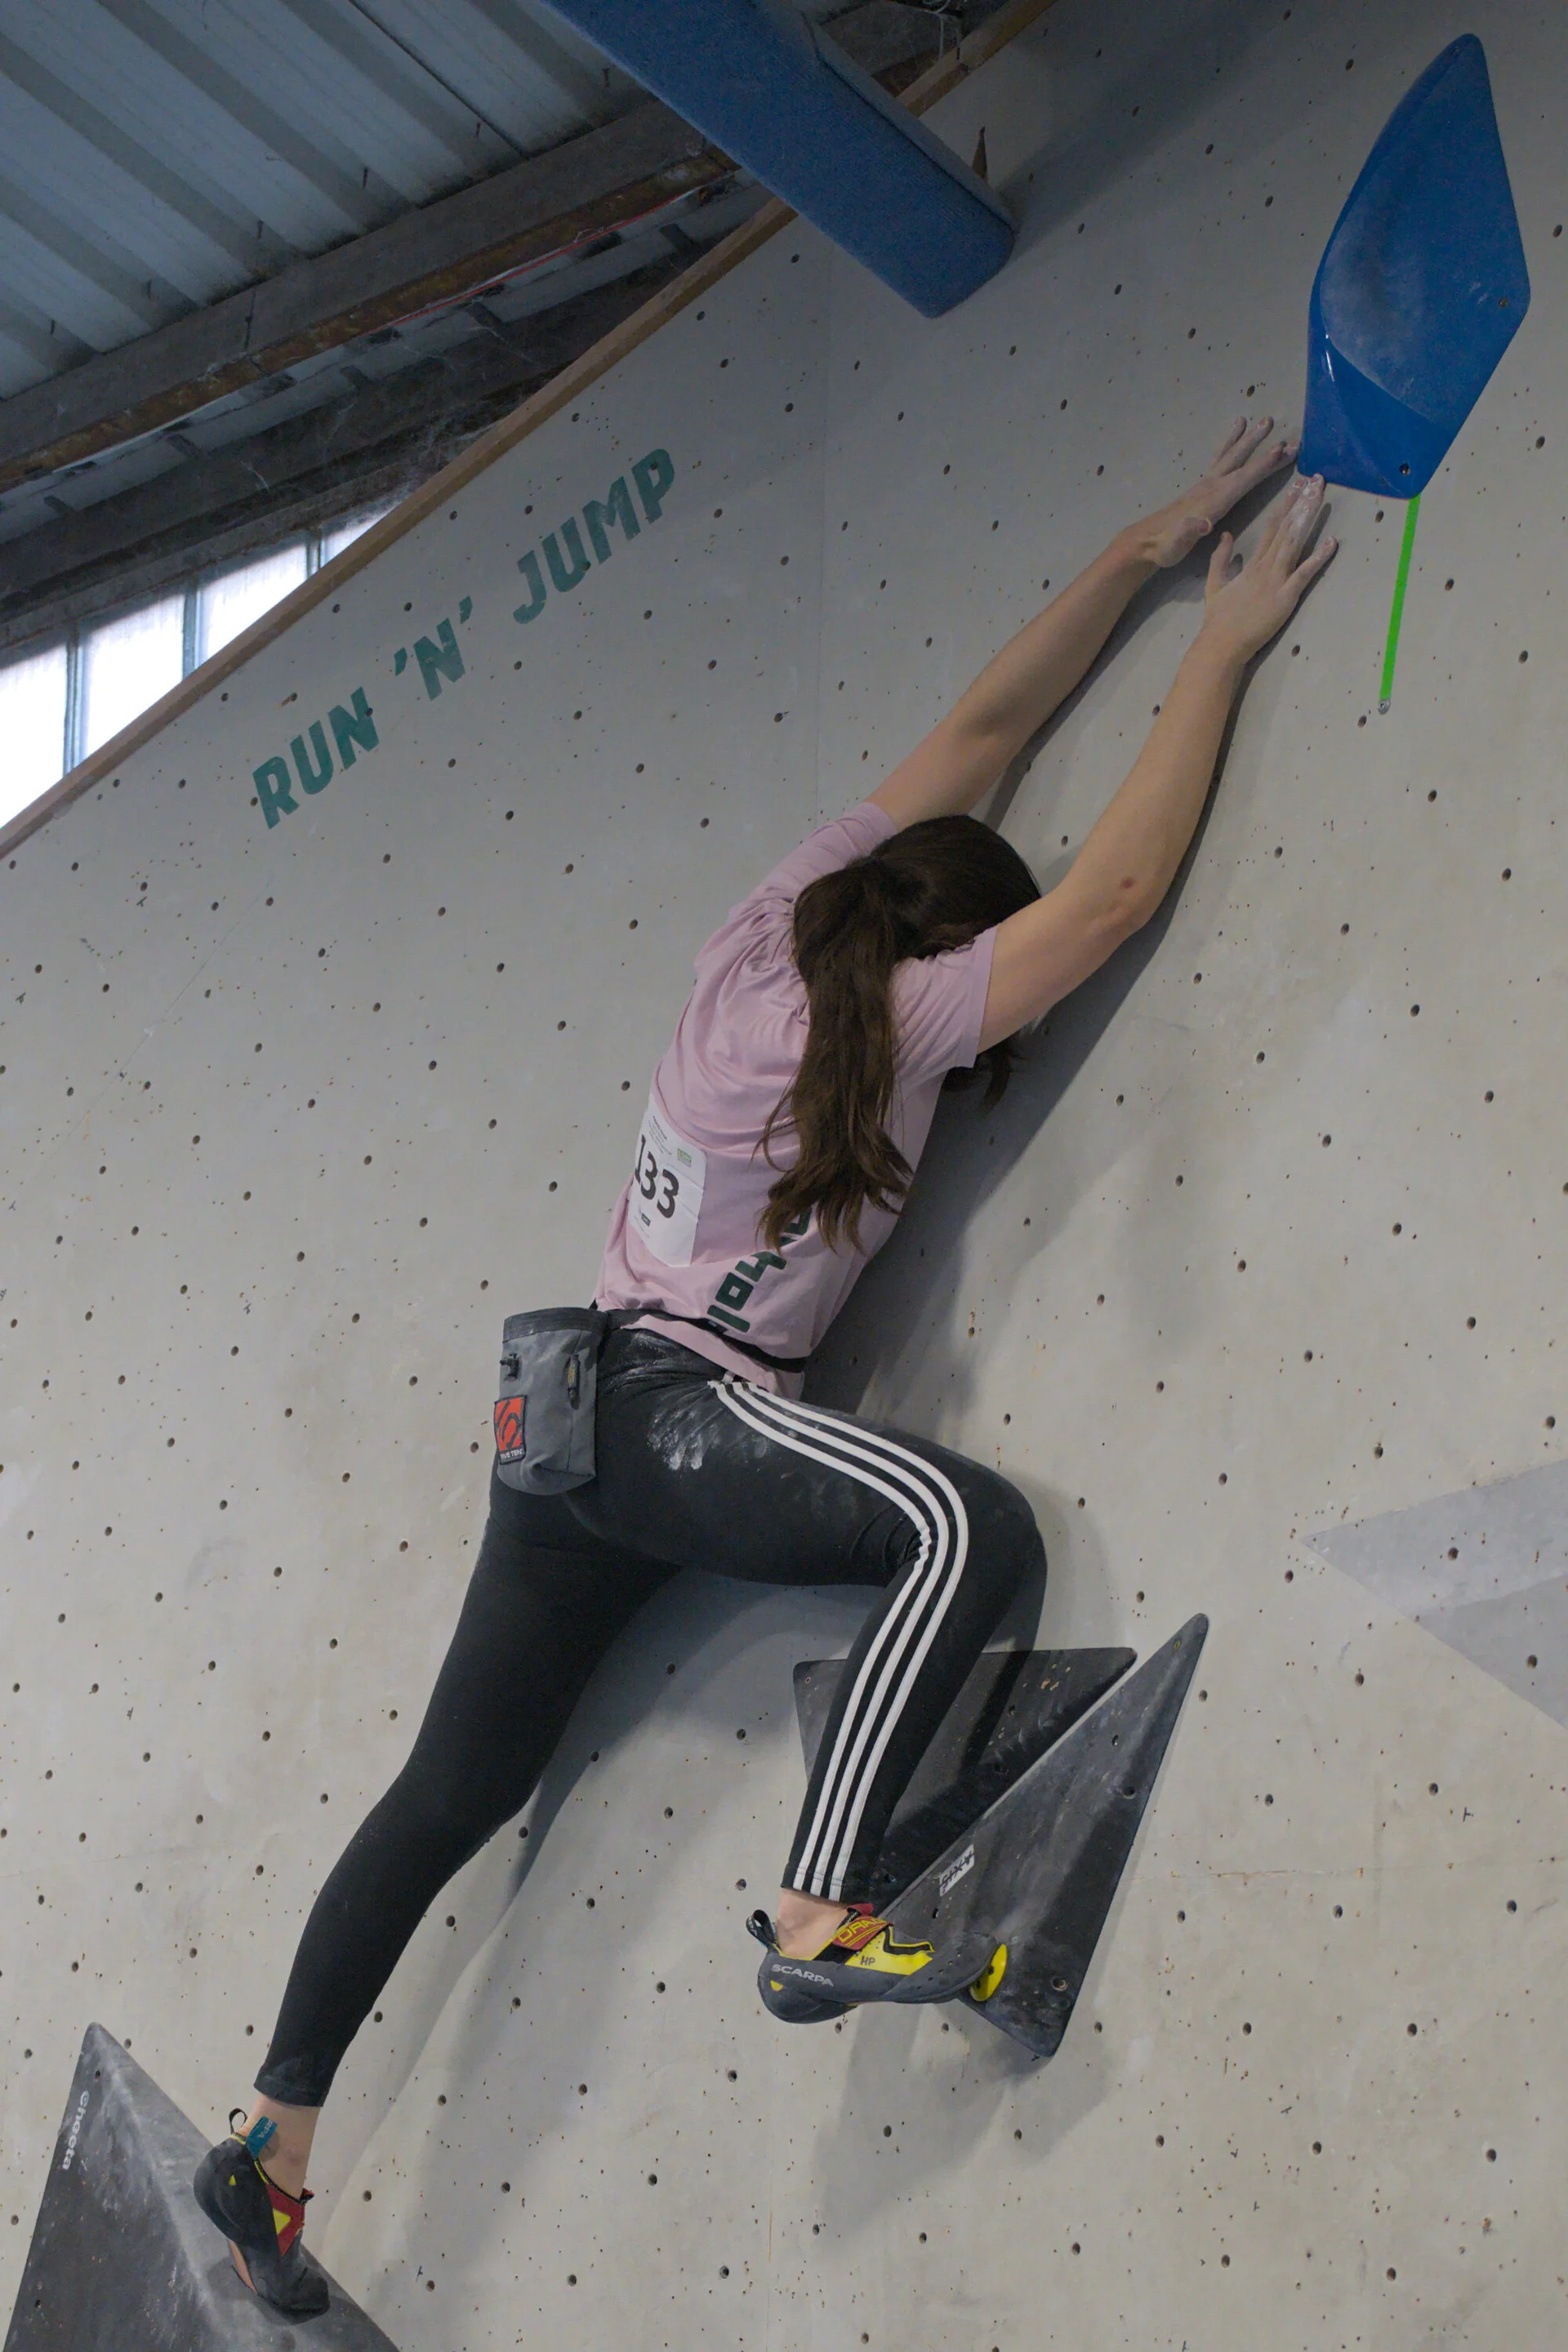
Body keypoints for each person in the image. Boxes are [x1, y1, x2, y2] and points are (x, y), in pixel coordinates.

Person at [194, 421, 1334, 2314]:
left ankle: (277, 2135)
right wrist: (1218, 646)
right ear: (953, 958)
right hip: (661, 1420)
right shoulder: (893, 1026)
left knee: (445, 1791)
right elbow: (1113, 900)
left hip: (552, 1436)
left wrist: (1136, 552)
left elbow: (978, 737)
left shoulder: (765, 940)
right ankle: (821, 1904)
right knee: (967, 1531)